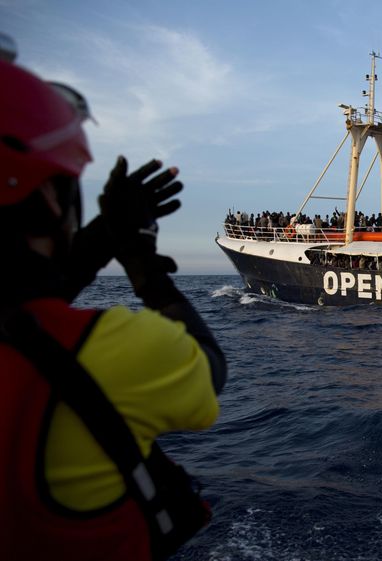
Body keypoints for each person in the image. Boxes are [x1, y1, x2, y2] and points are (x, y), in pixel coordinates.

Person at [0, 56, 226, 559]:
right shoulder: (103, 351)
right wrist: (140, 261)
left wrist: (99, 238)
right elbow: (209, 370)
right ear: (52, 200)